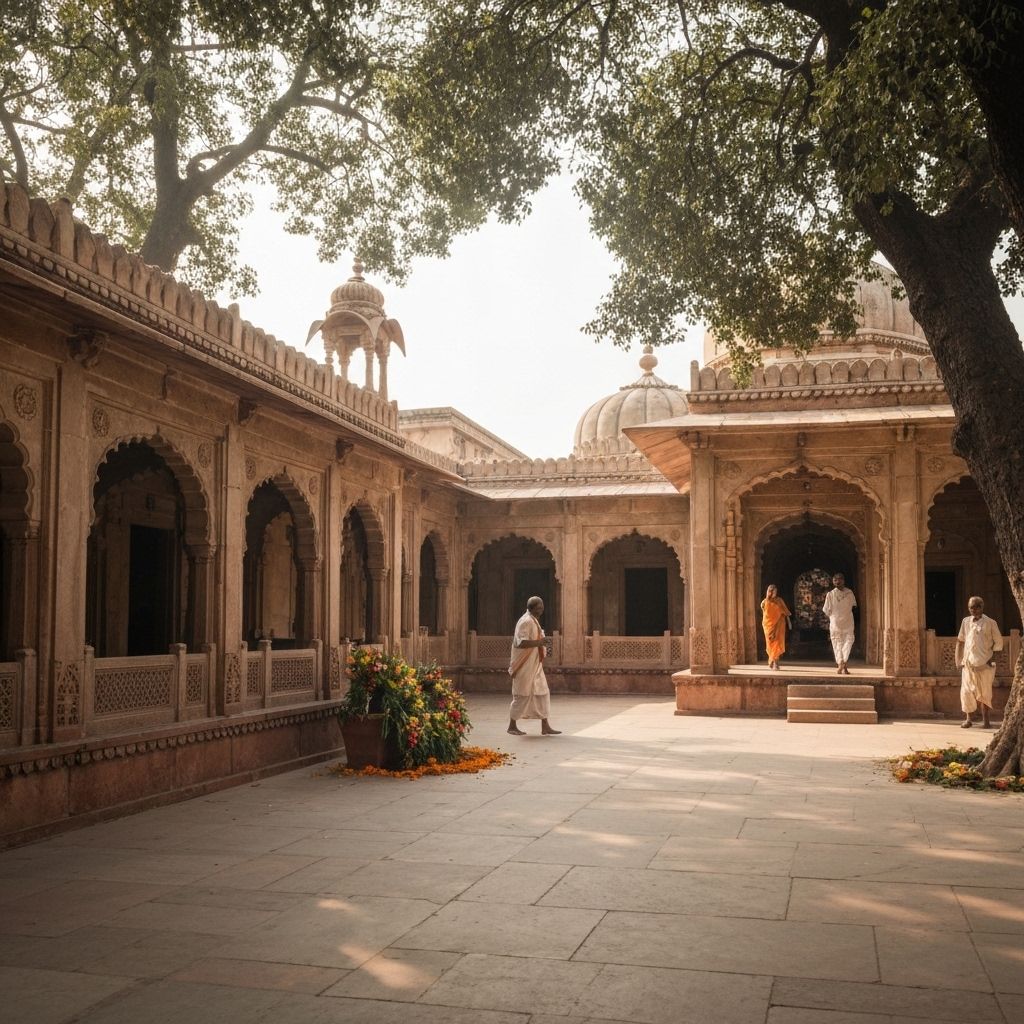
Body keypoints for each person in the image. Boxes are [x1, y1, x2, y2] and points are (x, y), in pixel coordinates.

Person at [508, 596, 561, 736]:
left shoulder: (533, 620)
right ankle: (512, 725)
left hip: (535, 665)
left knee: (542, 692)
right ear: (532, 608)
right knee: (522, 694)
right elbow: (521, 643)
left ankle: (545, 726)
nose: (542, 609)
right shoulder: (526, 621)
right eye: (539, 607)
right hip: (524, 665)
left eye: (542, 606)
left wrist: (540, 643)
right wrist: (539, 643)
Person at [956, 596, 1002, 729]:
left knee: (985, 693)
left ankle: (986, 721)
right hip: (968, 664)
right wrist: (959, 660)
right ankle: (968, 719)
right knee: (966, 692)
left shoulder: (991, 623)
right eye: (971, 607)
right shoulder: (965, 621)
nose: (974, 610)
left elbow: (998, 643)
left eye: (977, 607)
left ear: (982, 607)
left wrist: (991, 660)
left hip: (984, 664)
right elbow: (960, 640)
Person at [822, 572, 857, 675]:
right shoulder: (848, 593)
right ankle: (843, 663)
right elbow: (854, 606)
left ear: (843, 581)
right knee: (846, 642)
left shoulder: (832, 594)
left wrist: (834, 616)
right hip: (844, 622)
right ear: (833, 581)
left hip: (838, 622)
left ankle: (841, 663)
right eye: (835, 580)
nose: (837, 581)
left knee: (840, 643)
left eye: (839, 579)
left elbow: (826, 610)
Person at [760, 584, 792, 671]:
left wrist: (789, 622)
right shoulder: (764, 602)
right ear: (769, 592)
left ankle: (775, 663)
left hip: (779, 626)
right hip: (768, 627)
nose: (775, 593)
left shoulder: (779, 600)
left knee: (777, 643)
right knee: (770, 644)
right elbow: (765, 615)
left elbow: (786, 612)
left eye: (776, 591)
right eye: (773, 591)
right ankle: (771, 659)